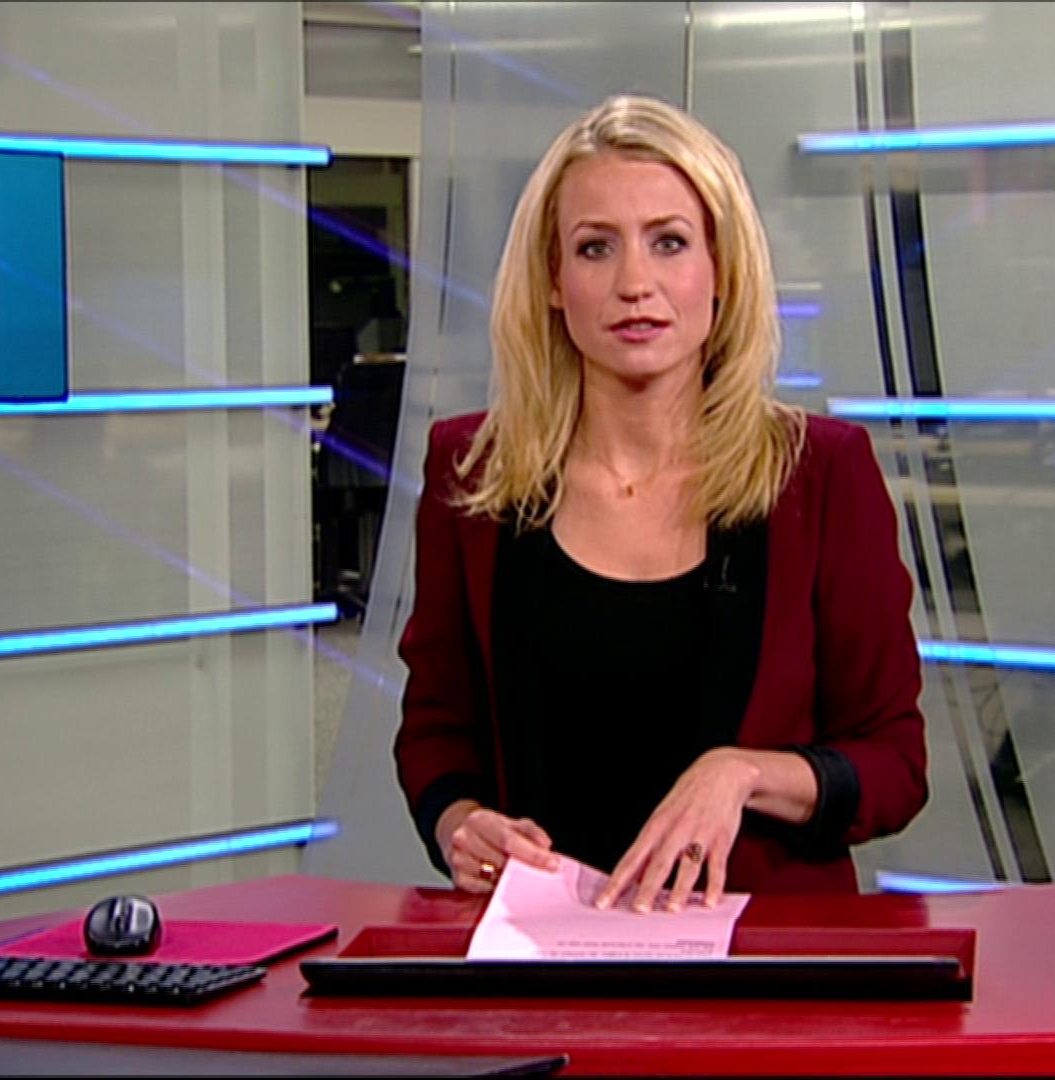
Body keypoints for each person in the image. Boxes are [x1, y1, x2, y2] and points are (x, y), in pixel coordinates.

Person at [393, 94, 926, 913]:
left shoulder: (821, 474)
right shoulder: (472, 473)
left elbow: (895, 763)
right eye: (595, 247)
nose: (634, 284)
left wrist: (741, 773)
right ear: (552, 281)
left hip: (763, 957)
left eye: (669, 242)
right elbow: (437, 728)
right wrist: (460, 824)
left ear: (722, 271)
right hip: (539, 952)